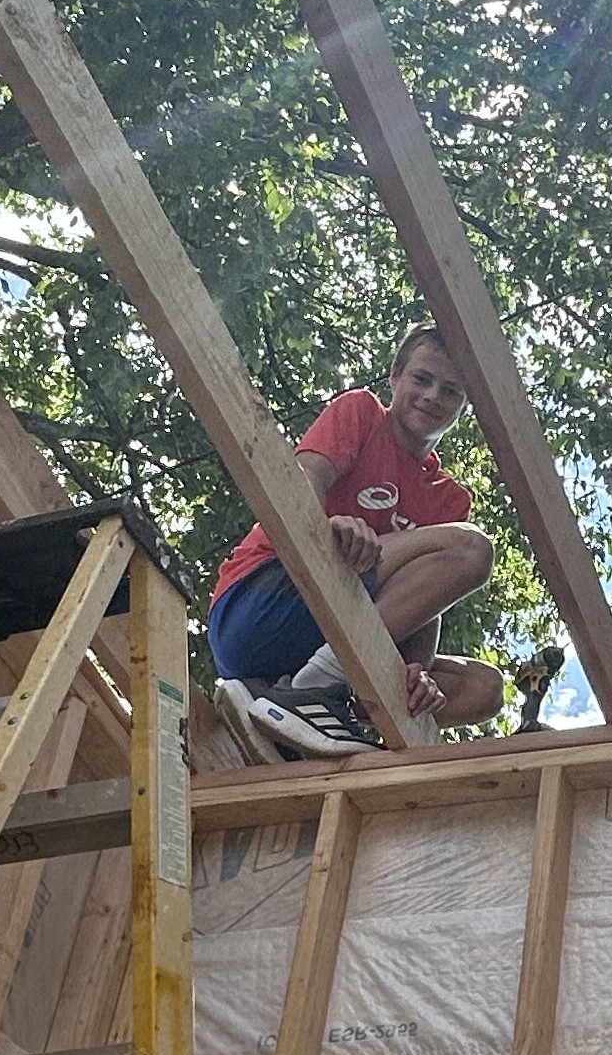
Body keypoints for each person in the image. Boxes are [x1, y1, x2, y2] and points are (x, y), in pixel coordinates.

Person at [207, 323, 505, 757]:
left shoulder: (449, 499)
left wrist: (416, 668)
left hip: (327, 639)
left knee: (483, 688)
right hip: (264, 605)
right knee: (471, 548)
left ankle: (302, 699)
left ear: (465, 404)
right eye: (422, 379)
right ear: (395, 376)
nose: (432, 396)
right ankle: (315, 689)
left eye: (451, 390)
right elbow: (302, 480)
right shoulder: (362, 414)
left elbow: (426, 604)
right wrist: (325, 528)